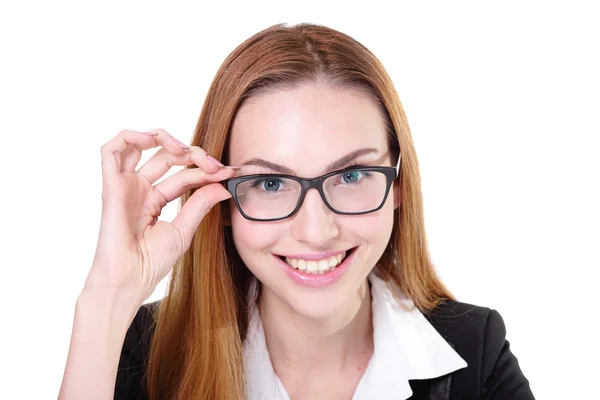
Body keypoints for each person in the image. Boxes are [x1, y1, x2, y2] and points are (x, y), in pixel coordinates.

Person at [58, 23, 535, 400]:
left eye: (350, 176)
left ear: (398, 187)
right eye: (270, 183)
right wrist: (106, 301)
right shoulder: (142, 350)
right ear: (221, 202)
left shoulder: (474, 350)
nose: (315, 232)